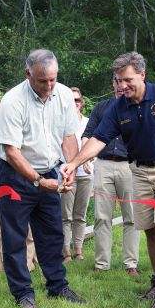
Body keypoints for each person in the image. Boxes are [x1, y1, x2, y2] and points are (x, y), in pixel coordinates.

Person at [60, 52, 155, 308]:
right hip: (139, 171)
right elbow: (98, 140)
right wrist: (73, 164)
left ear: (142, 75)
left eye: (128, 80)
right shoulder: (118, 108)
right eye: (119, 81)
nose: (123, 86)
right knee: (150, 230)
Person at [0, 49, 85, 308]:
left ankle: (57, 286)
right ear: (28, 74)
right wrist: (37, 181)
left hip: (49, 171)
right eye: (42, 80)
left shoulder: (65, 95)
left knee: (52, 234)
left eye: (53, 80)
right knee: (14, 237)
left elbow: (69, 137)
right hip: (14, 175)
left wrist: (70, 167)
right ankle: (23, 293)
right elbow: (11, 152)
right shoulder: (13, 101)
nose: (48, 86)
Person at [81, 77, 140, 276]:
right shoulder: (101, 108)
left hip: (128, 166)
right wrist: (85, 157)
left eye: (124, 81)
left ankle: (131, 263)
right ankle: (101, 264)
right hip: (104, 164)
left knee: (131, 216)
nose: (121, 86)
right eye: (116, 81)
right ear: (113, 84)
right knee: (101, 216)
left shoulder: (136, 108)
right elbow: (88, 134)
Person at [61, 87, 93, 262]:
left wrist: (89, 159)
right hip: (67, 174)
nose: (75, 104)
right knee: (66, 215)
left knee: (80, 214)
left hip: (86, 174)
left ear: (82, 103)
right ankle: (66, 252)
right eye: (71, 100)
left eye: (77, 100)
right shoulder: (60, 122)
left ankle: (78, 250)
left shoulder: (88, 123)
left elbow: (96, 145)